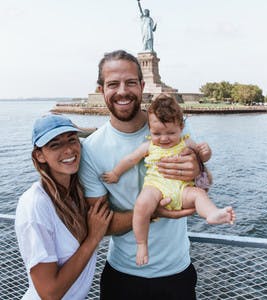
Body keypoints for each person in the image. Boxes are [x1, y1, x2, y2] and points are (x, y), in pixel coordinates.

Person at [79, 49, 212, 300]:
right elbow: (100, 225)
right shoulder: (91, 150)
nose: (122, 91)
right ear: (101, 90)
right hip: (122, 276)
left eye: (130, 82)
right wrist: (152, 213)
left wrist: (200, 169)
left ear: (141, 86)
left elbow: (206, 185)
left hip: (178, 272)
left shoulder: (172, 126)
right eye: (112, 84)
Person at [102, 94, 236, 266]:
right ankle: (142, 244)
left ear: (181, 127)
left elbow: (203, 159)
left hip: (182, 189)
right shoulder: (149, 146)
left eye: (170, 133)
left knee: (199, 194)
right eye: (157, 133)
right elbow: (130, 160)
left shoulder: (186, 142)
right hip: (156, 187)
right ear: (149, 129)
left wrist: (206, 152)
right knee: (142, 205)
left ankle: (212, 214)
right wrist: (115, 173)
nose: (164, 138)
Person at [15, 114, 113, 299]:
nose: (68, 150)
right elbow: (49, 293)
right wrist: (92, 239)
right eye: (55, 144)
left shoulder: (76, 193)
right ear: (40, 155)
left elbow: (104, 137)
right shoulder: (35, 205)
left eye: (72, 140)